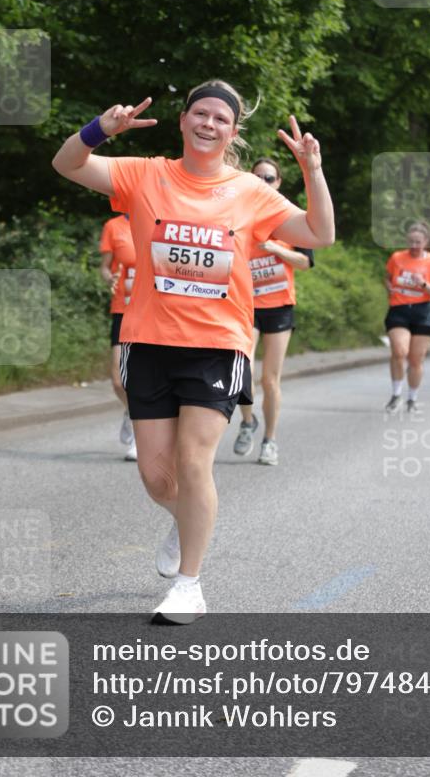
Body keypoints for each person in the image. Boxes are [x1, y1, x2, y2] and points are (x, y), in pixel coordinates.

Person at [52, 81, 335, 623]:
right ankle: (185, 524)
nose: (209, 124)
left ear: (232, 132)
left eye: (220, 119)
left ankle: (190, 584)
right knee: (158, 478)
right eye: (200, 114)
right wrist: (99, 130)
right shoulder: (145, 173)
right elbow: (67, 164)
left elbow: (320, 233)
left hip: (218, 344)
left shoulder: (250, 192)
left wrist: (312, 169)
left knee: (194, 459)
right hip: (148, 341)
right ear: (183, 121)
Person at [233, 157, 314, 466]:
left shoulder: (289, 217)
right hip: (246, 305)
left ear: (278, 183)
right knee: (242, 370)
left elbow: (305, 262)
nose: (263, 183)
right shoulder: (240, 215)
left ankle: (269, 440)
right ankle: (247, 421)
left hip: (279, 306)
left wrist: (277, 249)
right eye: (258, 178)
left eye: (269, 178)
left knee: (270, 380)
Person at [383, 222, 430, 413]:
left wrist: (423, 284)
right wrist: (389, 286)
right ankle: (396, 394)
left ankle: (412, 399)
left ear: (426, 242)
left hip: (423, 312)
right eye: (411, 241)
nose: (414, 245)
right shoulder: (397, 258)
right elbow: (387, 277)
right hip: (399, 309)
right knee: (399, 351)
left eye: (418, 242)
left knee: (416, 360)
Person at [99, 212, 137, 459]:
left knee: (142, 377)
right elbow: (104, 267)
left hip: (152, 312)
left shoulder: (161, 218)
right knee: (117, 379)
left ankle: (137, 434)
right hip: (122, 309)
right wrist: (109, 278)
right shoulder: (113, 226)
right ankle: (131, 410)